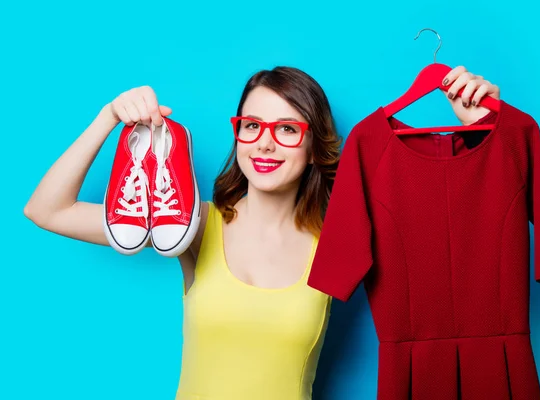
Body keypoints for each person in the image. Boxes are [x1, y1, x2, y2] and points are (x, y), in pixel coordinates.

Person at [24, 65, 500, 399]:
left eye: (288, 129)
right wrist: (110, 117)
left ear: (315, 146)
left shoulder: (343, 241)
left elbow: (461, 249)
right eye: (251, 125)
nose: (266, 142)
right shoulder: (190, 224)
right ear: (237, 137)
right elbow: (48, 210)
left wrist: (482, 132)